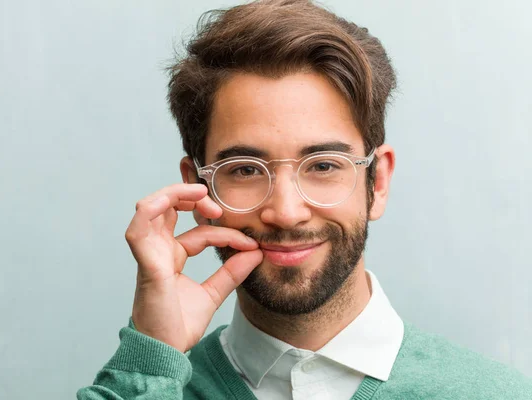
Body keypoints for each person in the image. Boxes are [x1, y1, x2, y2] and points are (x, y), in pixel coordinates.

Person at [77, 1, 532, 398]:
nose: (287, 212)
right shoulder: (147, 387)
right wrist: (150, 359)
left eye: (323, 165)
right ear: (198, 190)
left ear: (377, 182)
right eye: (245, 171)